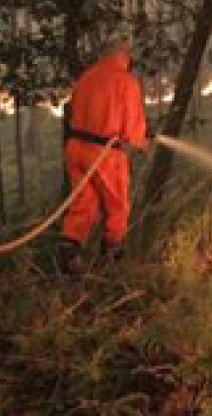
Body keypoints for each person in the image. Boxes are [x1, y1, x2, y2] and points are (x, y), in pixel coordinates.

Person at [58, 37, 149, 271]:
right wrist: (140, 143)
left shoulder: (86, 78)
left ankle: (68, 258)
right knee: (117, 206)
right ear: (123, 56)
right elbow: (132, 131)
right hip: (105, 154)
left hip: (76, 150)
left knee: (83, 203)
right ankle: (111, 263)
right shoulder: (124, 81)